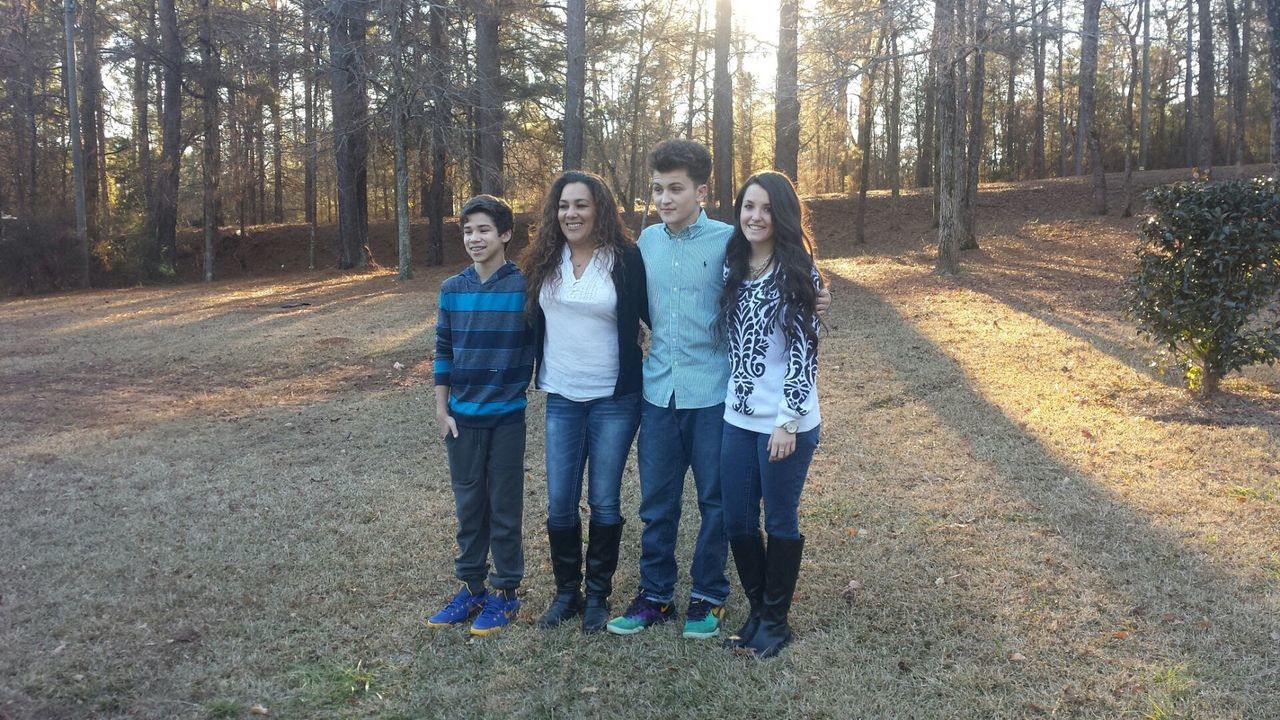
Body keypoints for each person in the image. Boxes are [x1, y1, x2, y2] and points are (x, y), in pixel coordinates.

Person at [523, 171, 648, 634]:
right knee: (559, 503)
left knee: (604, 501)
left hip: (614, 398)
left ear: (600, 209)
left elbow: (660, 311)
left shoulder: (625, 259)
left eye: (580, 204)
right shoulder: (545, 261)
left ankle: (598, 596)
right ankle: (565, 594)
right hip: (561, 396)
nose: (570, 213)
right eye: (563, 206)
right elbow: (526, 319)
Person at [718, 171, 823, 659]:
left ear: (782, 215)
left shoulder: (798, 271)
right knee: (738, 519)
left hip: (785, 422)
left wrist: (788, 421)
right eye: (747, 207)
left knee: (779, 517)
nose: (755, 217)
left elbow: (804, 353)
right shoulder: (734, 265)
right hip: (736, 417)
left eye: (765, 209)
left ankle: (776, 622)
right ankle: (759, 609)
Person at [427, 195, 534, 637]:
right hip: (461, 421)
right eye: (468, 230)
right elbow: (444, 351)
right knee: (469, 507)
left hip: (507, 418)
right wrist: (441, 409)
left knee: (504, 509)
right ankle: (471, 588)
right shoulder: (453, 289)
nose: (474, 238)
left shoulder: (525, 288)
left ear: (505, 234)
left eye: (484, 229)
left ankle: (505, 593)